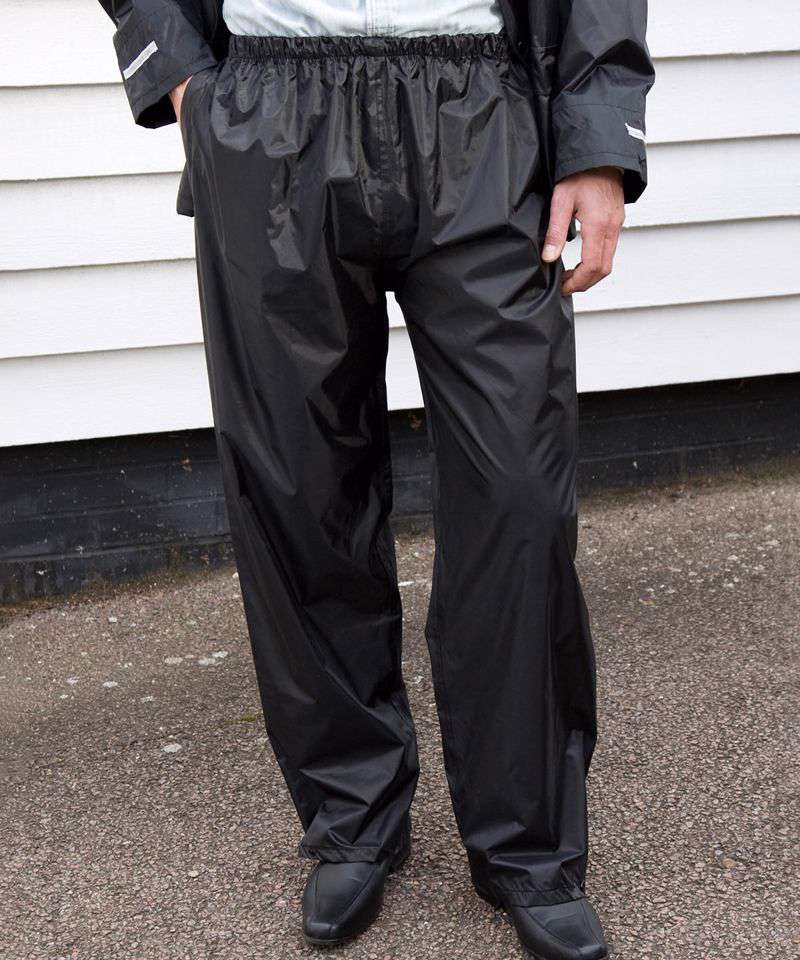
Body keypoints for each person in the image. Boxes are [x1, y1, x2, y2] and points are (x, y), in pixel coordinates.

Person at [97, 1, 653, 956]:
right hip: (270, 106)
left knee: (518, 493)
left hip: (481, 105)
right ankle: (352, 812)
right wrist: (185, 80)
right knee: (299, 488)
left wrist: (599, 141)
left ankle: (527, 844)